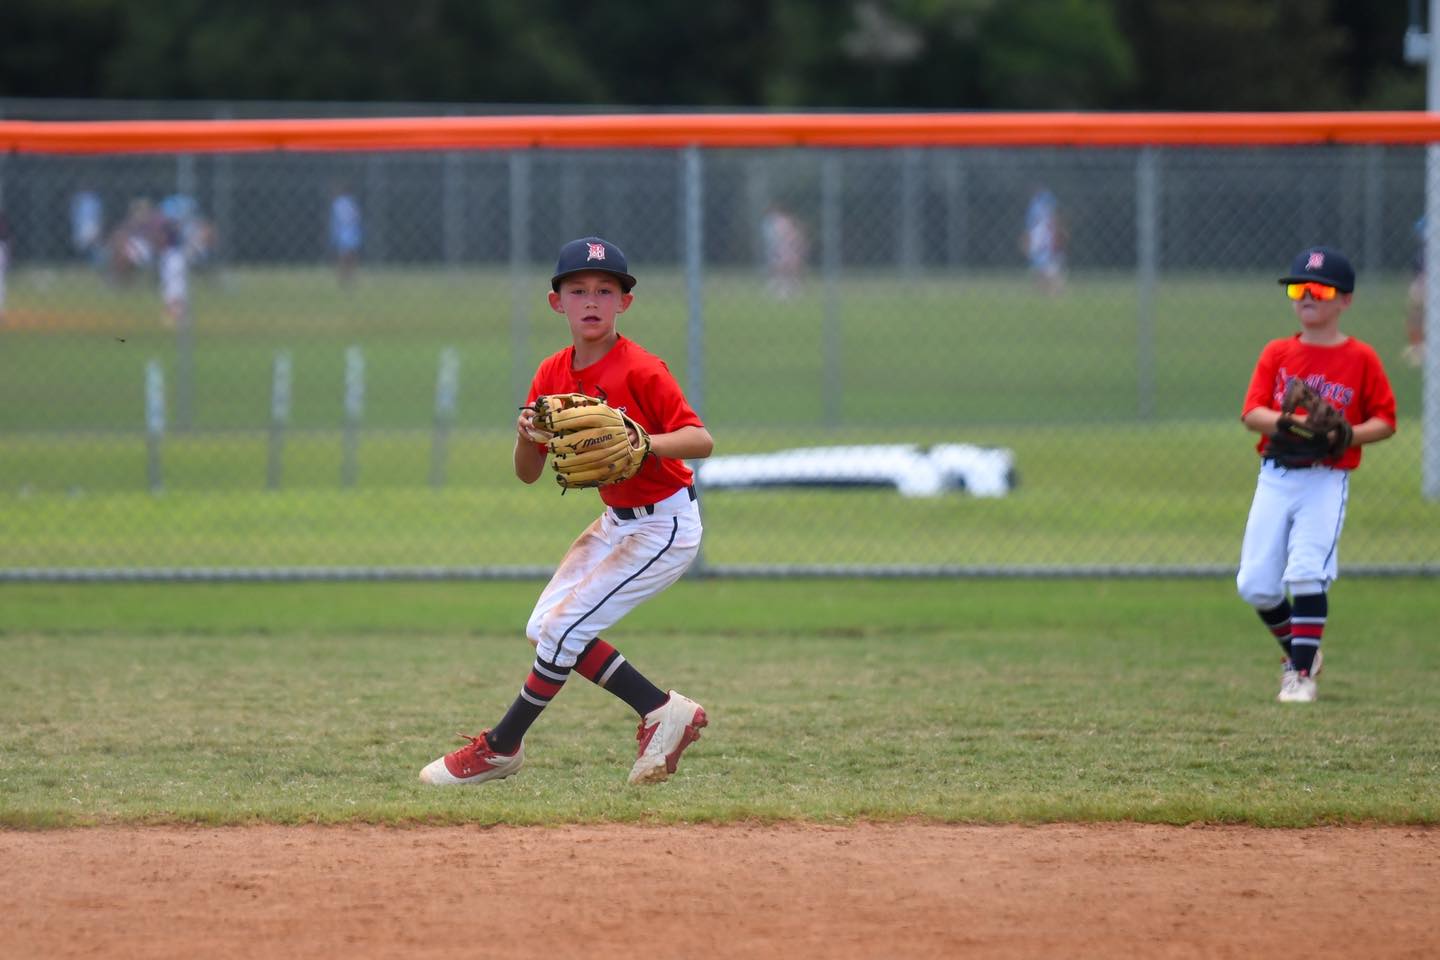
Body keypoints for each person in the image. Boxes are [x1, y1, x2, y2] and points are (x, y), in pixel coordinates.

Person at [420, 236, 714, 787]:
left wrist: (644, 442)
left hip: (666, 525)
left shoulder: (643, 370)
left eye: (605, 290)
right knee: (544, 628)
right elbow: (527, 473)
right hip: (616, 524)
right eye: (578, 290)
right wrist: (524, 437)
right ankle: (661, 710)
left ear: (625, 302)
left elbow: (701, 440)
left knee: (561, 631)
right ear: (557, 302)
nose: (592, 301)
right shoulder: (551, 373)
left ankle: (501, 747)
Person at [1236, 246, 1396, 704]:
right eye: (1298, 288)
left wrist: (1345, 436)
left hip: (1326, 478)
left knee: (1307, 571)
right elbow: (1252, 413)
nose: (1307, 295)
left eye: (1321, 289)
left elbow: (1385, 420)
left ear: (1345, 299)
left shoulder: (1361, 358)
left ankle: (1300, 674)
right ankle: (1302, 649)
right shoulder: (1278, 352)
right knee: (1255, 584)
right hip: (1276, 476)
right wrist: (1294, 424)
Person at [1020, 186, 1067, 295]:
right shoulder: (1037, 207)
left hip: (1044, 243)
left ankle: (1055, 290)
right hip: (1040, 242)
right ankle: (1050, 290)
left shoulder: (1042, 208)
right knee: (1041, 268)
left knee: (1048, 268)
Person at [761, 203, 807, 299]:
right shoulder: (772, 222)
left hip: (786, 248)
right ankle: (780, 288)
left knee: (789, 268)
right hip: (780, 248)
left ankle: (790, 288)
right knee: (780, 268)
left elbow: (792, 235)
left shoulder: (783, 221)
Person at [328, 184, 362, 286]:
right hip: (349, 232)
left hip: (346, 232)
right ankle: (347, 277)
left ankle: (346, 277)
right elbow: (356, 217)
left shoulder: (340, 203)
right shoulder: (349, 202)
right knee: (349, 256)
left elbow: (336, 220)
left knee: (346, 256)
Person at [157, 219, 189, 328]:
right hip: (171, 257)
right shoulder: (167, 254)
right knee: (171, 292)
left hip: (173, 258)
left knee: (174, 292)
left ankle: (176, 316)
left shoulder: (174, 255)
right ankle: (175, 315)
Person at [1404, 217, 1426, 367]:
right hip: (1424, 282)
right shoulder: (1421, 253)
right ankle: (1417, 347)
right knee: (1415, 310)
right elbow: (1418, 274)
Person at [70, 188, 103, 264]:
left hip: (92, 225)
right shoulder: (78, 199)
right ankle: (85, 261)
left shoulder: (95, 199)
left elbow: (98, 215)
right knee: (83, 245)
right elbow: (74, 215)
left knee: (93, 245)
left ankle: (96, 261)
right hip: (81, 225)